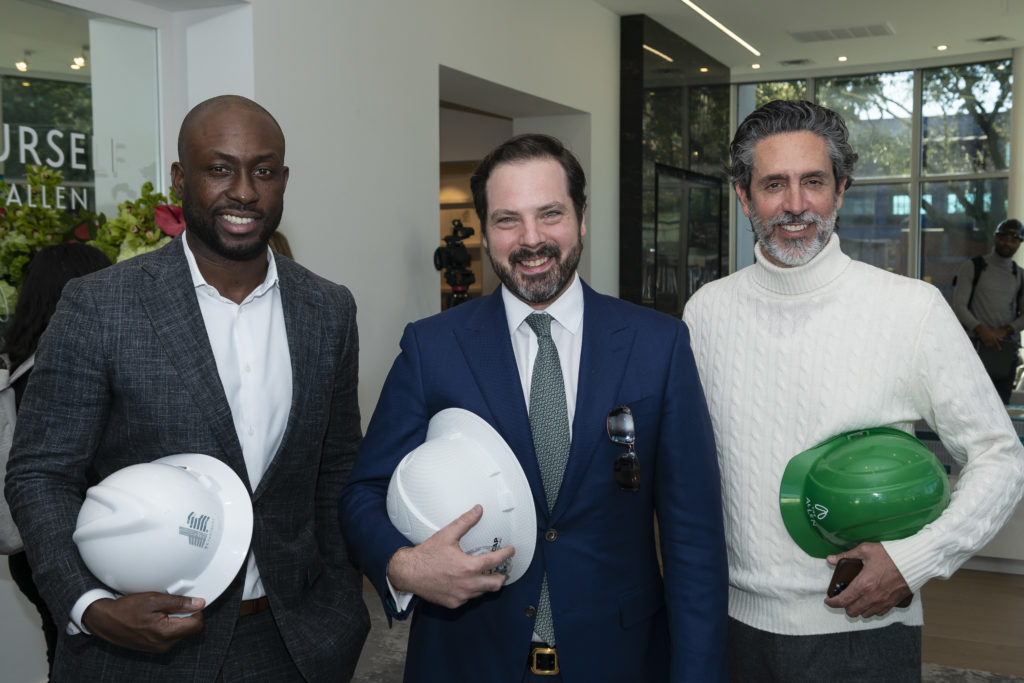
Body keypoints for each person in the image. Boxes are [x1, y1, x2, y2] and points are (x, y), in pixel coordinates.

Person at [5, 95, 369, 682]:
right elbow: (40, 472)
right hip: (138, 649)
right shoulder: (101, 305)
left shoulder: (328, 308)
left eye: (265, 170)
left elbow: (336, 470)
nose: (245, 191)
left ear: (284, 180)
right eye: (219, 168)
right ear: (181, 178)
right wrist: (89, 607)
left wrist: (341, 609)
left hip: (291, 643)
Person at [340, 133, 728, 682]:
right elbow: (363, 492)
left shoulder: (657, 345)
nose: (531, 239)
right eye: (507, 220)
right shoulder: (433, 347)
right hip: (466, 655)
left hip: (619, 658)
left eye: (550, 214)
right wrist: (404, 565)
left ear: (581, 218)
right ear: (482, 230)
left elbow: (693, 539)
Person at [683, 99, 1024, 682]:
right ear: (744, 197)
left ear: (840, 190)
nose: (795, 205)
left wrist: (914, 560)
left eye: (813, 182)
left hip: (864, 627)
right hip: (730, 625)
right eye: (774, 185)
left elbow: (1000, 454)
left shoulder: (909, 310)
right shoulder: (705, 312)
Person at [1, 242, 112, 675]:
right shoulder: (71, 372)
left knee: (62, 653)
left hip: (30, 554)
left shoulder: (19, 369)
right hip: (76, 551)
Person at [951, 218, 1024, 403]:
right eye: (1003, 237)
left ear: (1019, 244)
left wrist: (1003, 331)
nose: (1007, 243)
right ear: (995, 238)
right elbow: (959, 306)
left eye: (1013, 240)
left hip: (1004, 353)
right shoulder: (973, 267)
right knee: (970, 406)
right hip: (974, 349)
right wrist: (982, 331)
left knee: (1001, 411)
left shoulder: (1020, 275)